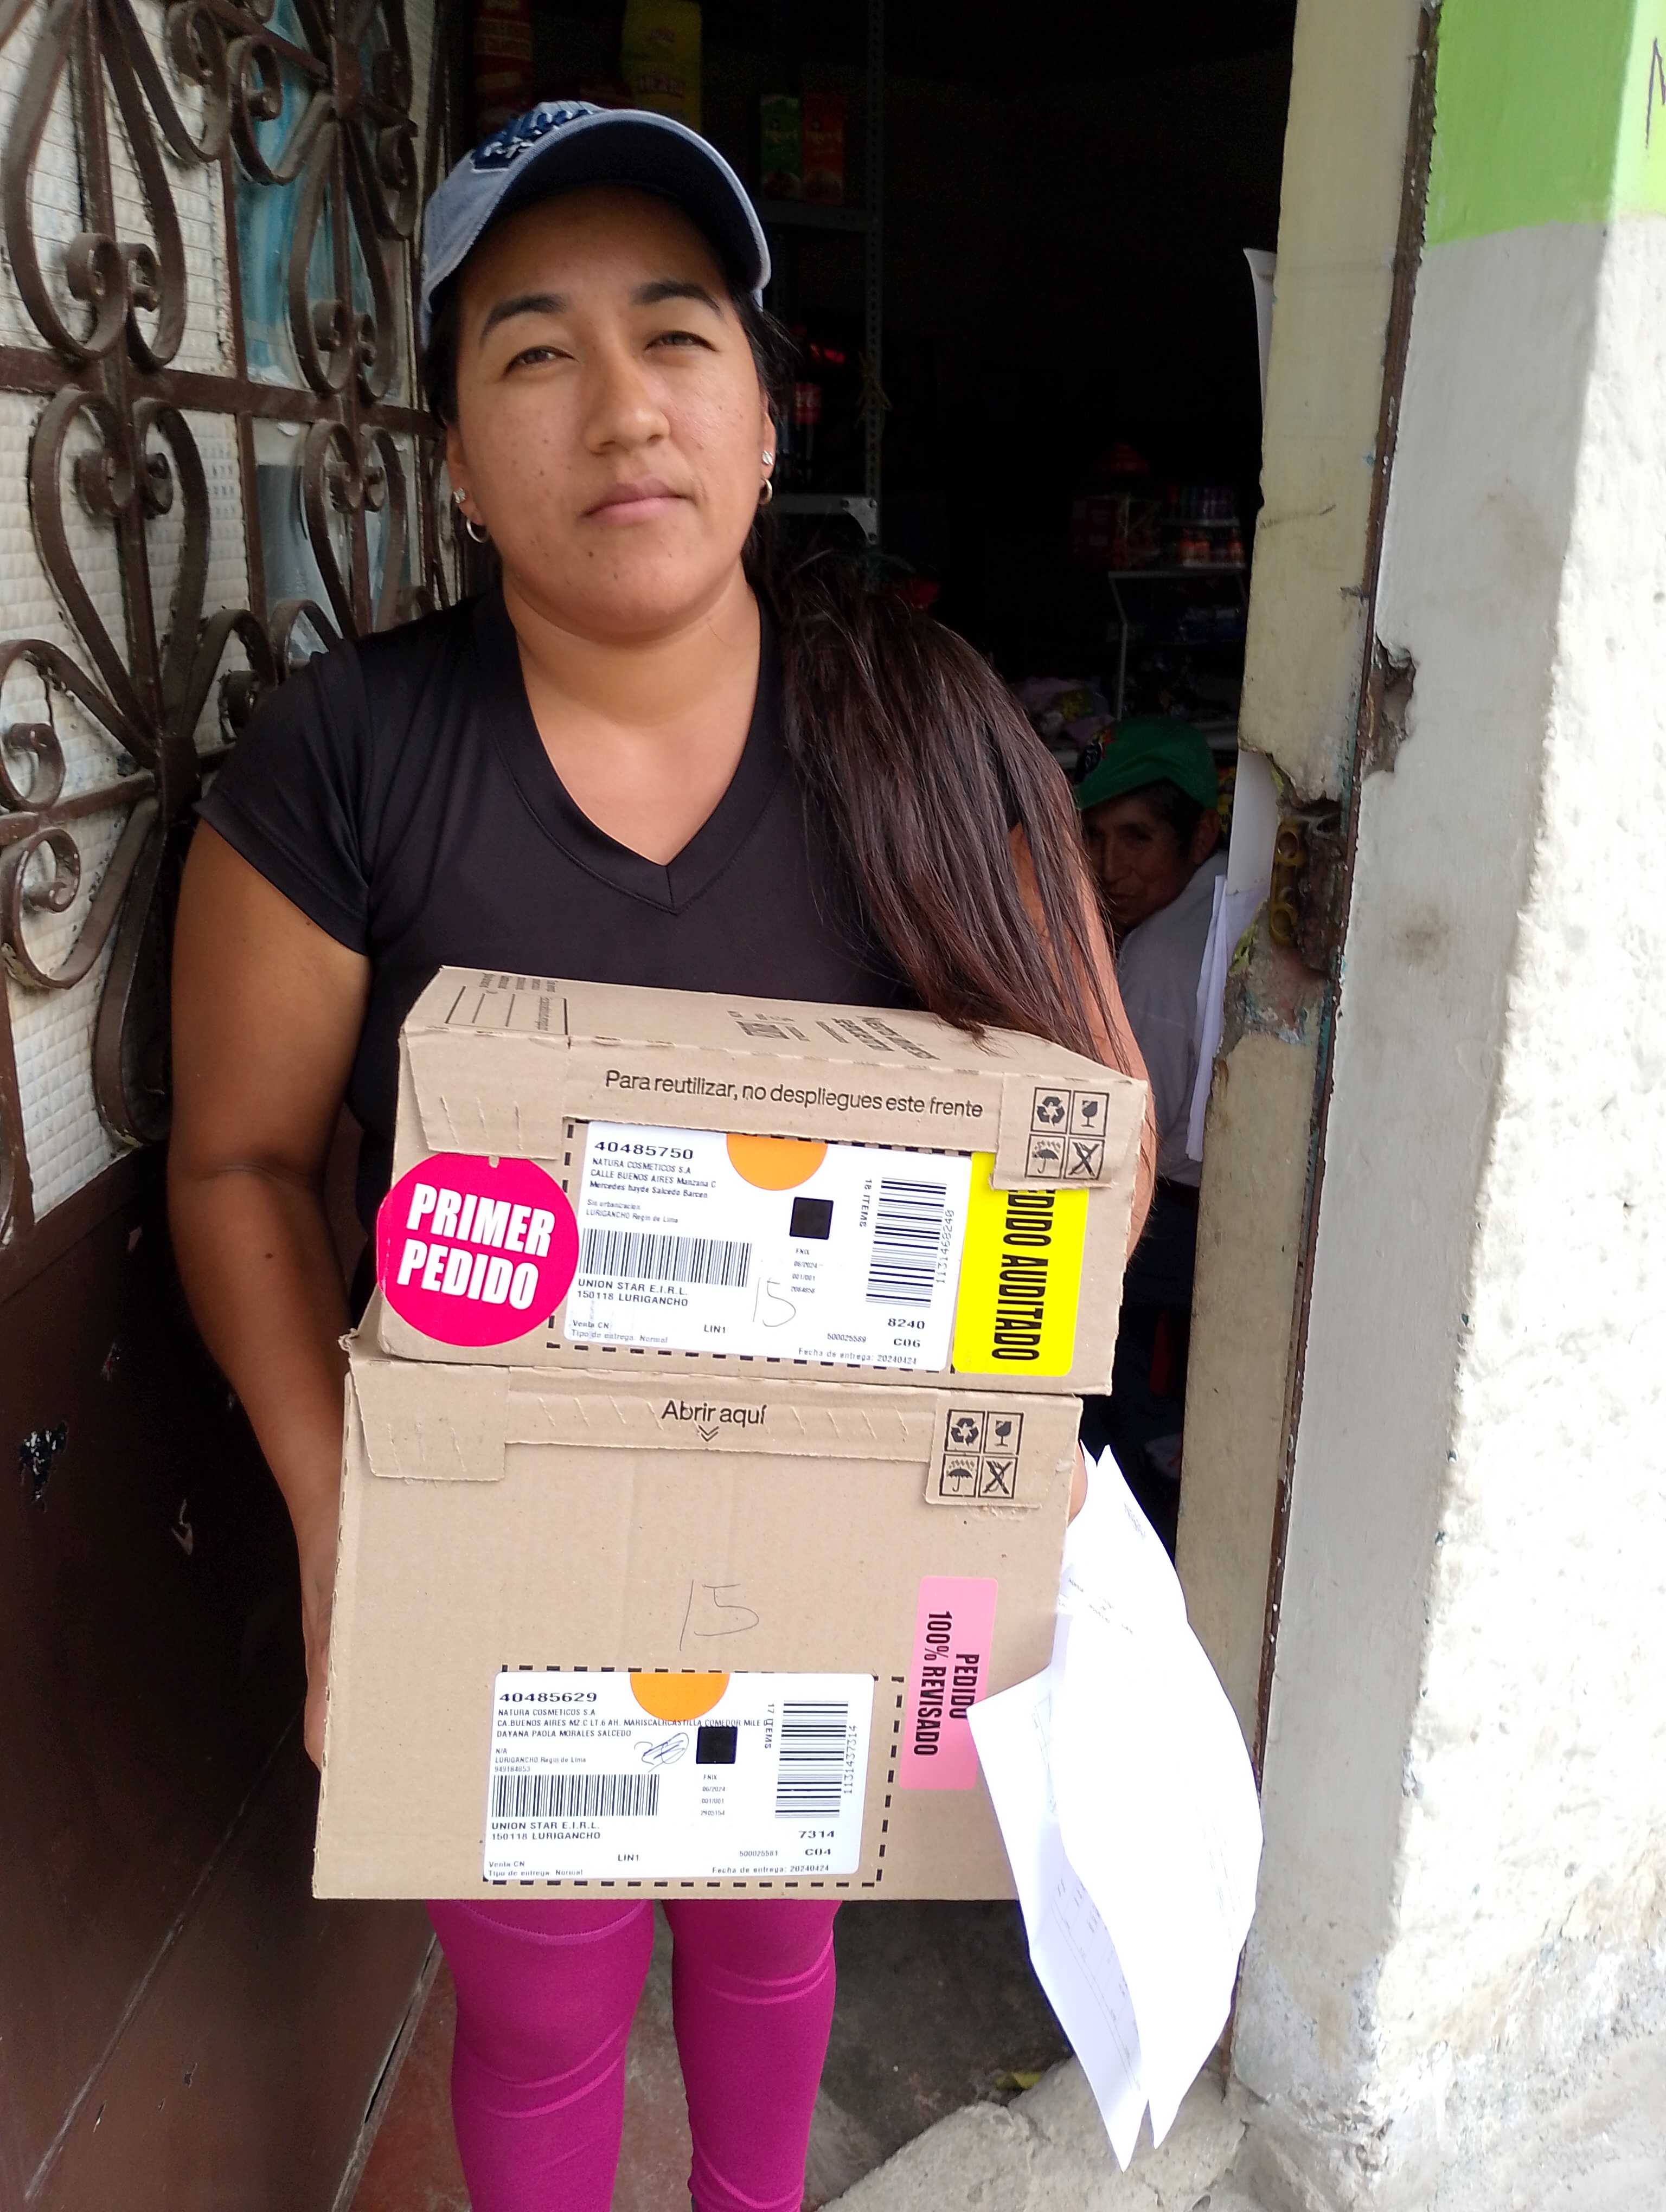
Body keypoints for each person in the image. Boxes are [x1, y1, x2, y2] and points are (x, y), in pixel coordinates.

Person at [167, 101, 1154, 2212]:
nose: (620, 405)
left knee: (773, 1941)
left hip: (819, 1543)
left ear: (769, 420)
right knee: (540, 2012)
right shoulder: (350, 760)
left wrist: (1003, 1444)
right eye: (533, 351)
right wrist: (346, 1531)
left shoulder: (924, 731)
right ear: (452, 454)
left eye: (678, 336)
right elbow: (238, 1164)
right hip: (499, 1539)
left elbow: (1090, 1128)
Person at [1073, 719, 1225, 1539]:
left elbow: (1128, 1136)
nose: (1110, 868)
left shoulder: (1161, 955)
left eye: (1137, 838)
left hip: (1173, 1222)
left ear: (1200, 835)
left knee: (1123, 1424)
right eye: (1096, 837)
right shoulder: (1215, 899)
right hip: (1190, 1217)